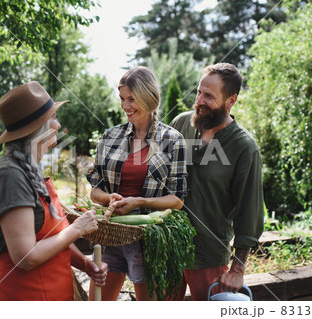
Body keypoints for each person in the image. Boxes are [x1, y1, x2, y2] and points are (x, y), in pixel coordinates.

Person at [0, 81, 107, 301]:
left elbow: (54, 239)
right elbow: (26, 257)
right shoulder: (10, 176)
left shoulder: (29, 170)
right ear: (36, 128)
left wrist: (85, 264)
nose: (58, 125)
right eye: (53, 119)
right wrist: (76, 230)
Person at [87, 66, 188, 300]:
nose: (125, 106)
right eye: (122, 99)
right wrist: (108, 198)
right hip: (111, 234)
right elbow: (95, 190)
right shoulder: (110, 137)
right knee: (96, 305)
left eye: (131, 99)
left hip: (147, 239)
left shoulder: (173, 140)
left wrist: (140, 202)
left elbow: (177, 200)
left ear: (148, 96)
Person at [169, 63, 264, 301]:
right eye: (199, 92)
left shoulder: (243, 147)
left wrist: (238, 269)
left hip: (208, 255)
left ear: (230, 101)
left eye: (209, 96)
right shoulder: (181, 125)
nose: (199, 101)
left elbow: (248, 211)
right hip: (167, 246)